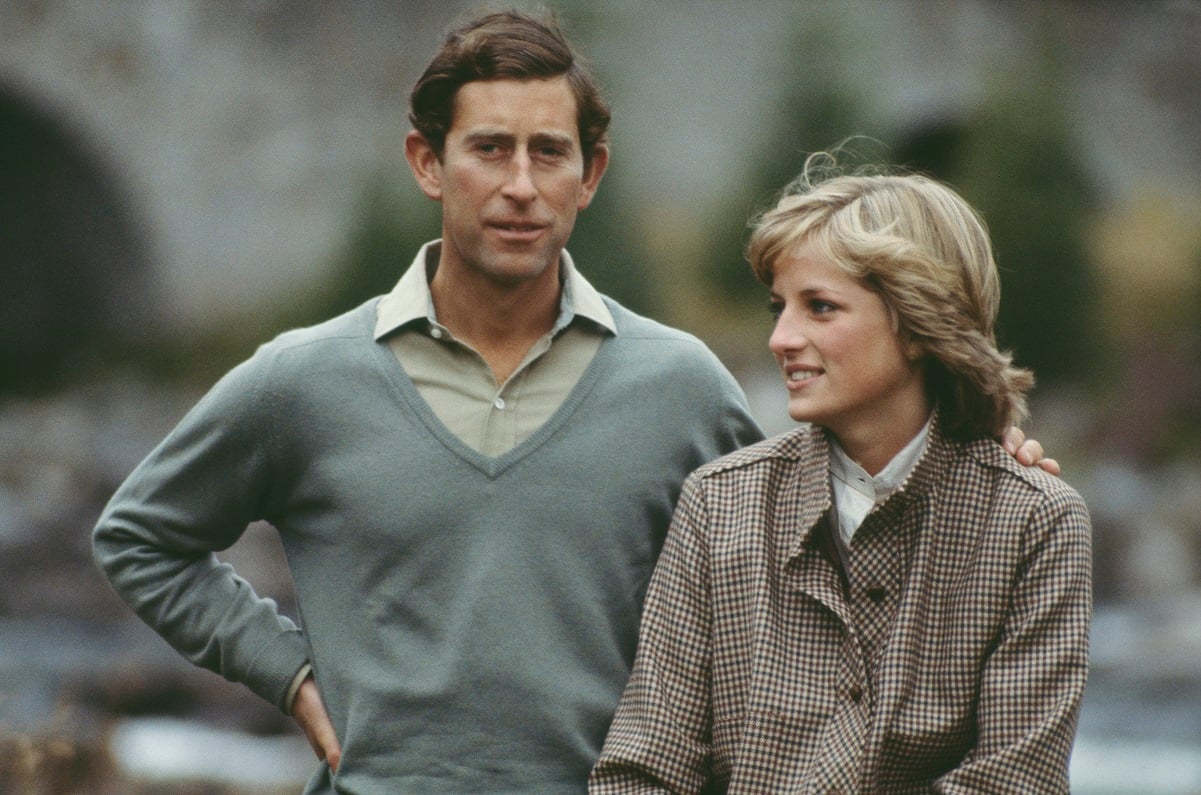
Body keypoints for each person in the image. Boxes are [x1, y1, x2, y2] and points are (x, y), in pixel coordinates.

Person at [93, 11, 1056, 794]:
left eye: (549, 152)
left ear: (588, 175)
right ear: (427, 163)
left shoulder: (677, 386)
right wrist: (293, 675)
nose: (520, 185)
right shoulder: (300, 380)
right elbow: (138, 536)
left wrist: (979, 445)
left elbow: (818, 545)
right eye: (489, 149)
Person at [590, 157, 1092, 793]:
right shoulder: (718, 506)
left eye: (820, 307)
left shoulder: (1033, 521)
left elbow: (1016, 783)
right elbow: (642, 771)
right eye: (779, 307)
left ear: (917, 326)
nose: (780, 337)